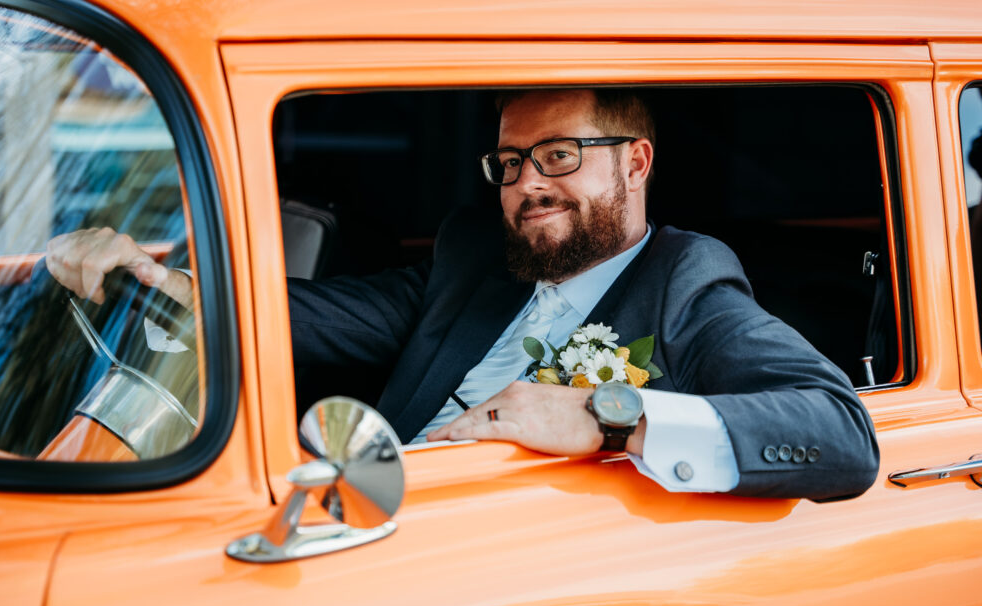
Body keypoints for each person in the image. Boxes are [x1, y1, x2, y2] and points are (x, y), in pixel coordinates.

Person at [46, 88, 879, 500]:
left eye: (558, 156)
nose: (527, 185)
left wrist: (608, 414)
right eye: (511, 163)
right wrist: (164, 281)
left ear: (636, 162)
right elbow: (308, 317)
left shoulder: (686, 281)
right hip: (372, 499)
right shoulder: (475, 256)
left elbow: (841, 432)